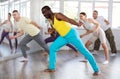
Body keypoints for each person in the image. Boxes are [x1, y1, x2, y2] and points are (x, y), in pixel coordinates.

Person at [41, 6, 100, 75]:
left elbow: (68, 20)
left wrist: (77, 24)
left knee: (84, 51)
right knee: (53, 47)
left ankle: (97, 69)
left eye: (45, 11)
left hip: (71, 34)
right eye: (43, 13)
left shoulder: (57, 15)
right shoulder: (50, 21)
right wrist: (51, 31)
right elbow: (56, 28)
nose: (44, 14)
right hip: (63, 36)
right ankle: (52, 68)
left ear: (49, 10)